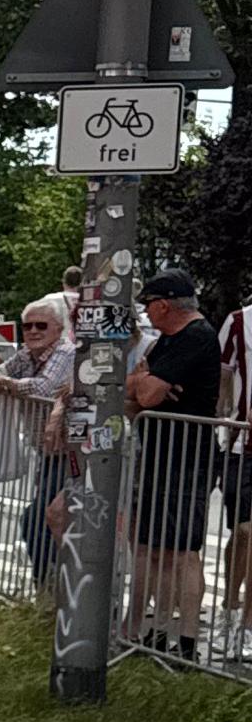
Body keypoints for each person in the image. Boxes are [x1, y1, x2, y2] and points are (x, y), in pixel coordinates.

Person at [121, 269, 223, 662]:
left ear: (164, 304)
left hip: (187, 456)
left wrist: (147, 384)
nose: (146, 313)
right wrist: (147, 383)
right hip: (160, 452)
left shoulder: (196, 336)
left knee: (182, 550)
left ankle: (187, 642)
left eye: (148, 305)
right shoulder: (166, 340)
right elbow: (135, 388)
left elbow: (145, 395)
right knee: (155, 547)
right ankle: (158, 632)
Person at [0, 297, 75, 590]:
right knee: (42, 520)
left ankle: (55, 585)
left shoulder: (65, 353)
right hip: (46, 451)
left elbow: (45, 387)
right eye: (27, 326)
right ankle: (50, 584)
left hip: (72, 453)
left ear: (58, 328)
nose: (32, 331)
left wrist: (5, 384)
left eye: (40, 325)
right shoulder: (25, 356)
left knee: (37, 519)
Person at [214, 296, 252, 658]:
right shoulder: (239, 322)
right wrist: (222, 419)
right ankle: (229, 608)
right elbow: (223, 375)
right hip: (243, 445)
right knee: (242, 532)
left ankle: (248, 625)